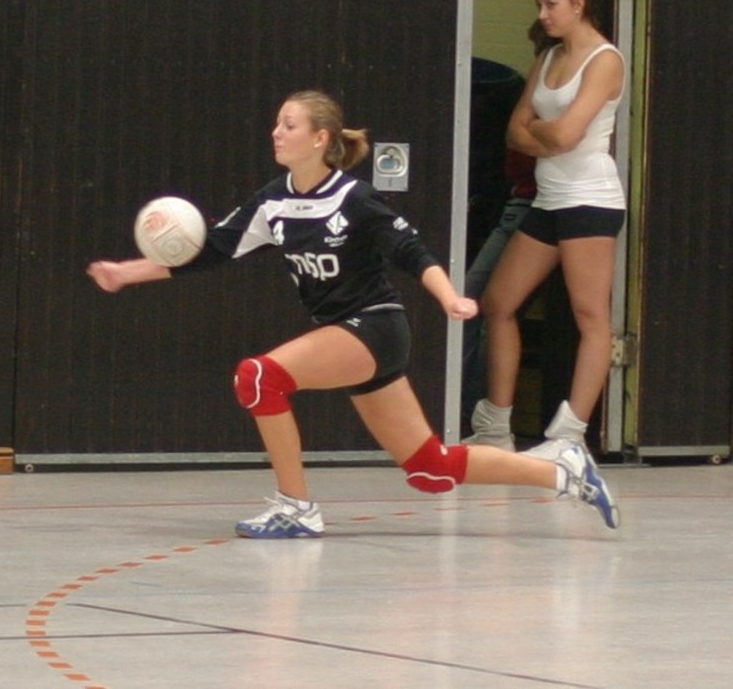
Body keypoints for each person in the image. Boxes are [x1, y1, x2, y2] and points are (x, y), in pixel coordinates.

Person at [87, 89, 618, 537]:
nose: (276, 132)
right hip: (345, 333)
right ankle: (561, 470)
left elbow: (412, 252)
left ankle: (296, 507)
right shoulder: (272, 203)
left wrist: (449, 298)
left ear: (320, 138)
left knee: (259, 378)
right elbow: (209, 252)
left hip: (375, 326)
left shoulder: (353, 198)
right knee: (429, 468)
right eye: (276, 123)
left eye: (289, 124)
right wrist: (125, 272)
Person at [465, 0, 626, 460]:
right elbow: (515, 130)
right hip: (549, 198)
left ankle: (569, 436)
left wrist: (543, 134)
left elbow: (568, 134)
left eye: (550, 4)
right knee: (498, 303)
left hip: (590, 199)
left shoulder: (605, 60)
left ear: (578, 3)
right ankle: (496, 425)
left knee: (590, 315)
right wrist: (545, 136)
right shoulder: (549, 55)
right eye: (539, 4)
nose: (543, 14)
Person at [460, 22, 552, 433]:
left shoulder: (544, 89)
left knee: (483, 305)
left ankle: (476, 415)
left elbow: (530, 141)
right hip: (528, 200)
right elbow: (519, 140)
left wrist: (532, 133)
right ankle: (476, 415)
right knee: (482, 305)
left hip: (536, 202)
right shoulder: (526, 86)